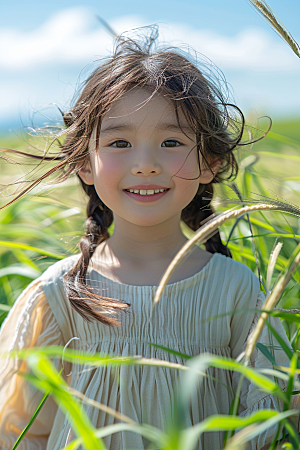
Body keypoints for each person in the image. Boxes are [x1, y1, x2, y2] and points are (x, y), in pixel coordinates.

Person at [0, 28, 297, 450]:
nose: (144, 165)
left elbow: (264, 422)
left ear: (211, 162)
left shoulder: (236, 289)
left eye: (171, 142)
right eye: (120, 142)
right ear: (85, 163)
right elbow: (21, 430)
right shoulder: (60, 293)